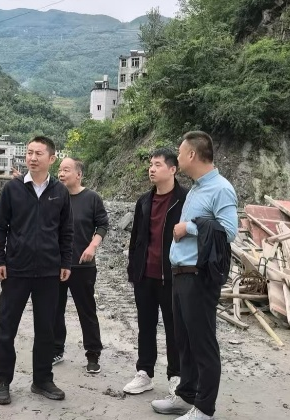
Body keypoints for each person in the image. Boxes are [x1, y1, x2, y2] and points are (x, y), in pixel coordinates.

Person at [151, 131, 237, 420]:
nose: (177, 156)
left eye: (180, 151)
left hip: (199, 277)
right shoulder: (197, 189)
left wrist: (188, 228)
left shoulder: (221, 189)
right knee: (184, 341)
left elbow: (229, 231)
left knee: (202, 343)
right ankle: (186, 396)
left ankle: (204, 409)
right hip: (181, 275)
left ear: (191, 155)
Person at [0, 136, 73, 405]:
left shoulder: (60, 192)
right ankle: (2, 381)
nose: (33, 158)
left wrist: (65, 262)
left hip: (49, 271)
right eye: (29, 153)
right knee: (7, 328)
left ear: (52, 158)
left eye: (39, 153)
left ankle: (42, 380)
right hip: (16, 269)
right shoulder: (12, 189)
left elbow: (66, 231)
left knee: (46, 329)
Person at [122, 148, 188, 396]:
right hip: (145, 275)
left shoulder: (185, 199)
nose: (152, 169)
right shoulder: (144, 201)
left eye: (158, 165)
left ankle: (176, 375)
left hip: (173, 276)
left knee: (174, 328)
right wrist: (133, 269)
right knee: (146, 325)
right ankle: (144, 373)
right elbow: (136, 238)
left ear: (172, 169)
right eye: (151, 164)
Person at [52, 157, 108, 373]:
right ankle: (56, 349)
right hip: (57, 265)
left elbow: (102, 225)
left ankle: (93, 354)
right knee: (55, 310)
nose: (61, 173)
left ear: (79, 174)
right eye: (60, 170)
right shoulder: (55, 197)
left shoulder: (91, 198)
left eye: (66, 170)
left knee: (86, 311)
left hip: (83, 266)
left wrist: (92, 246)